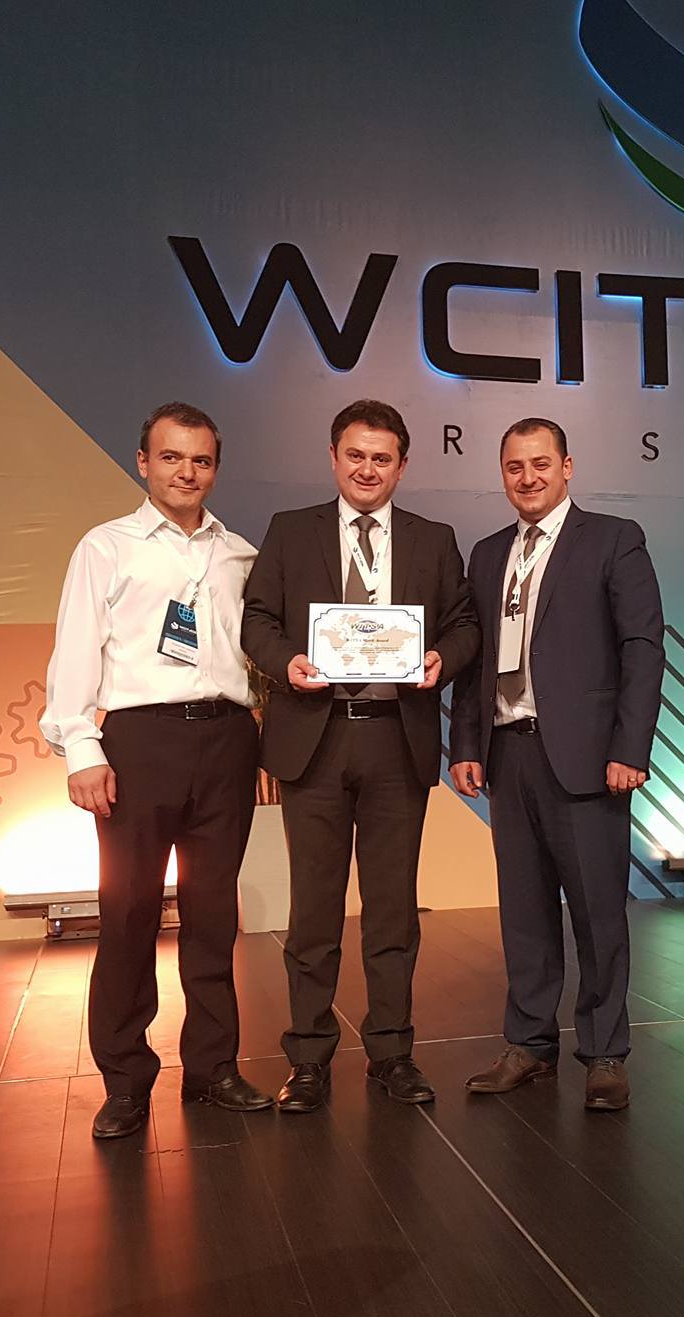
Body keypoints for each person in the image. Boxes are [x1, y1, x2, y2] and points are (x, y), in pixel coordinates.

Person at [242, 399, 479, 1111]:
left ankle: (392, 1054)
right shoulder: (290, 531)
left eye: (382, 458)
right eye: (355, 455)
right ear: (333, 457)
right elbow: (257, 618)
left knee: (393, 912)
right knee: (314, 912)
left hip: (395, 738)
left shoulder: (434, 539)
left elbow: (465, 623)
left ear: (402, 465)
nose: (367, 469)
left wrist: (442, 658)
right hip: (314, 738)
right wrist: (287, 663)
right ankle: (309, 1058)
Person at [41, 403, 269, 1140]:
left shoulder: (240, 554)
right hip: (139, 743)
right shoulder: (106, 547)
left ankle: (213, 1068)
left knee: (214, 914)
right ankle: (125, 1081)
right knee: (130, 913)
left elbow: (255, 654)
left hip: (226, 741)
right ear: (143, 462)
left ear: (216, 469)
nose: (186, 472)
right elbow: (75, 651)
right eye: (171, 457)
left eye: (201, 460)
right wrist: (82, 749)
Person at [449, 418, 664, 1110]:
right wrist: (466, 744)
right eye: (515, 466)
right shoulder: (488, 554)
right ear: (502, 474)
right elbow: (475, 661)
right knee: (524, 913)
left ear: (567, 466)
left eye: (541, 463)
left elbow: (641, 648)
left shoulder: (613, 539)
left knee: (598, 913)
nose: (528, 477)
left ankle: (604, 1052)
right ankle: (529, 1044)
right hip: (509, 753)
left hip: (588, 759)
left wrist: (629, 749)